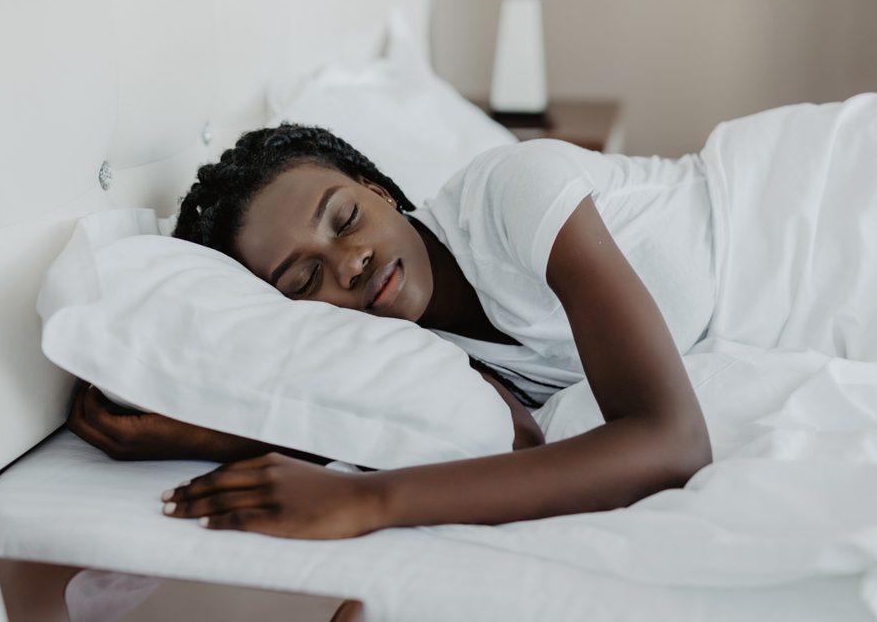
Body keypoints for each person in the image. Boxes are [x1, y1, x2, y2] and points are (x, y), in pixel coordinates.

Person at [68, 120, 720, 540]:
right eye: (303, 281)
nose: (349, 263)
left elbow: (673, 443)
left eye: (345, 218)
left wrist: (367, 499)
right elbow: (519, 445)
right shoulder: (418, 351)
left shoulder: (511, 191)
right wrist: (213, 432)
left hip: (805, 210)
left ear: (378, 191)